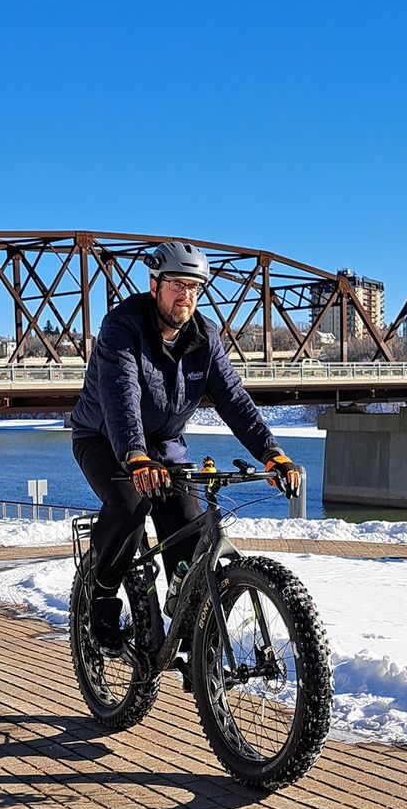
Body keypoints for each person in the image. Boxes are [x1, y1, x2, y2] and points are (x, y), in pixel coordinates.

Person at [70, 240, 302, 655]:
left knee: (190, 532)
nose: (186, 296)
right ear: (154, 283)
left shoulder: (204, 336)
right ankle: (101, 597)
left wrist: (272, 452)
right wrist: (136, 455)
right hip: (104, 438)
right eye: (177, 284)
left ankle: (193, 639)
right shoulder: (122, 326)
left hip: (166, 446)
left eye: (195, 287)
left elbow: (233, 398)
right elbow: (121, 396)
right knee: (130, 504)